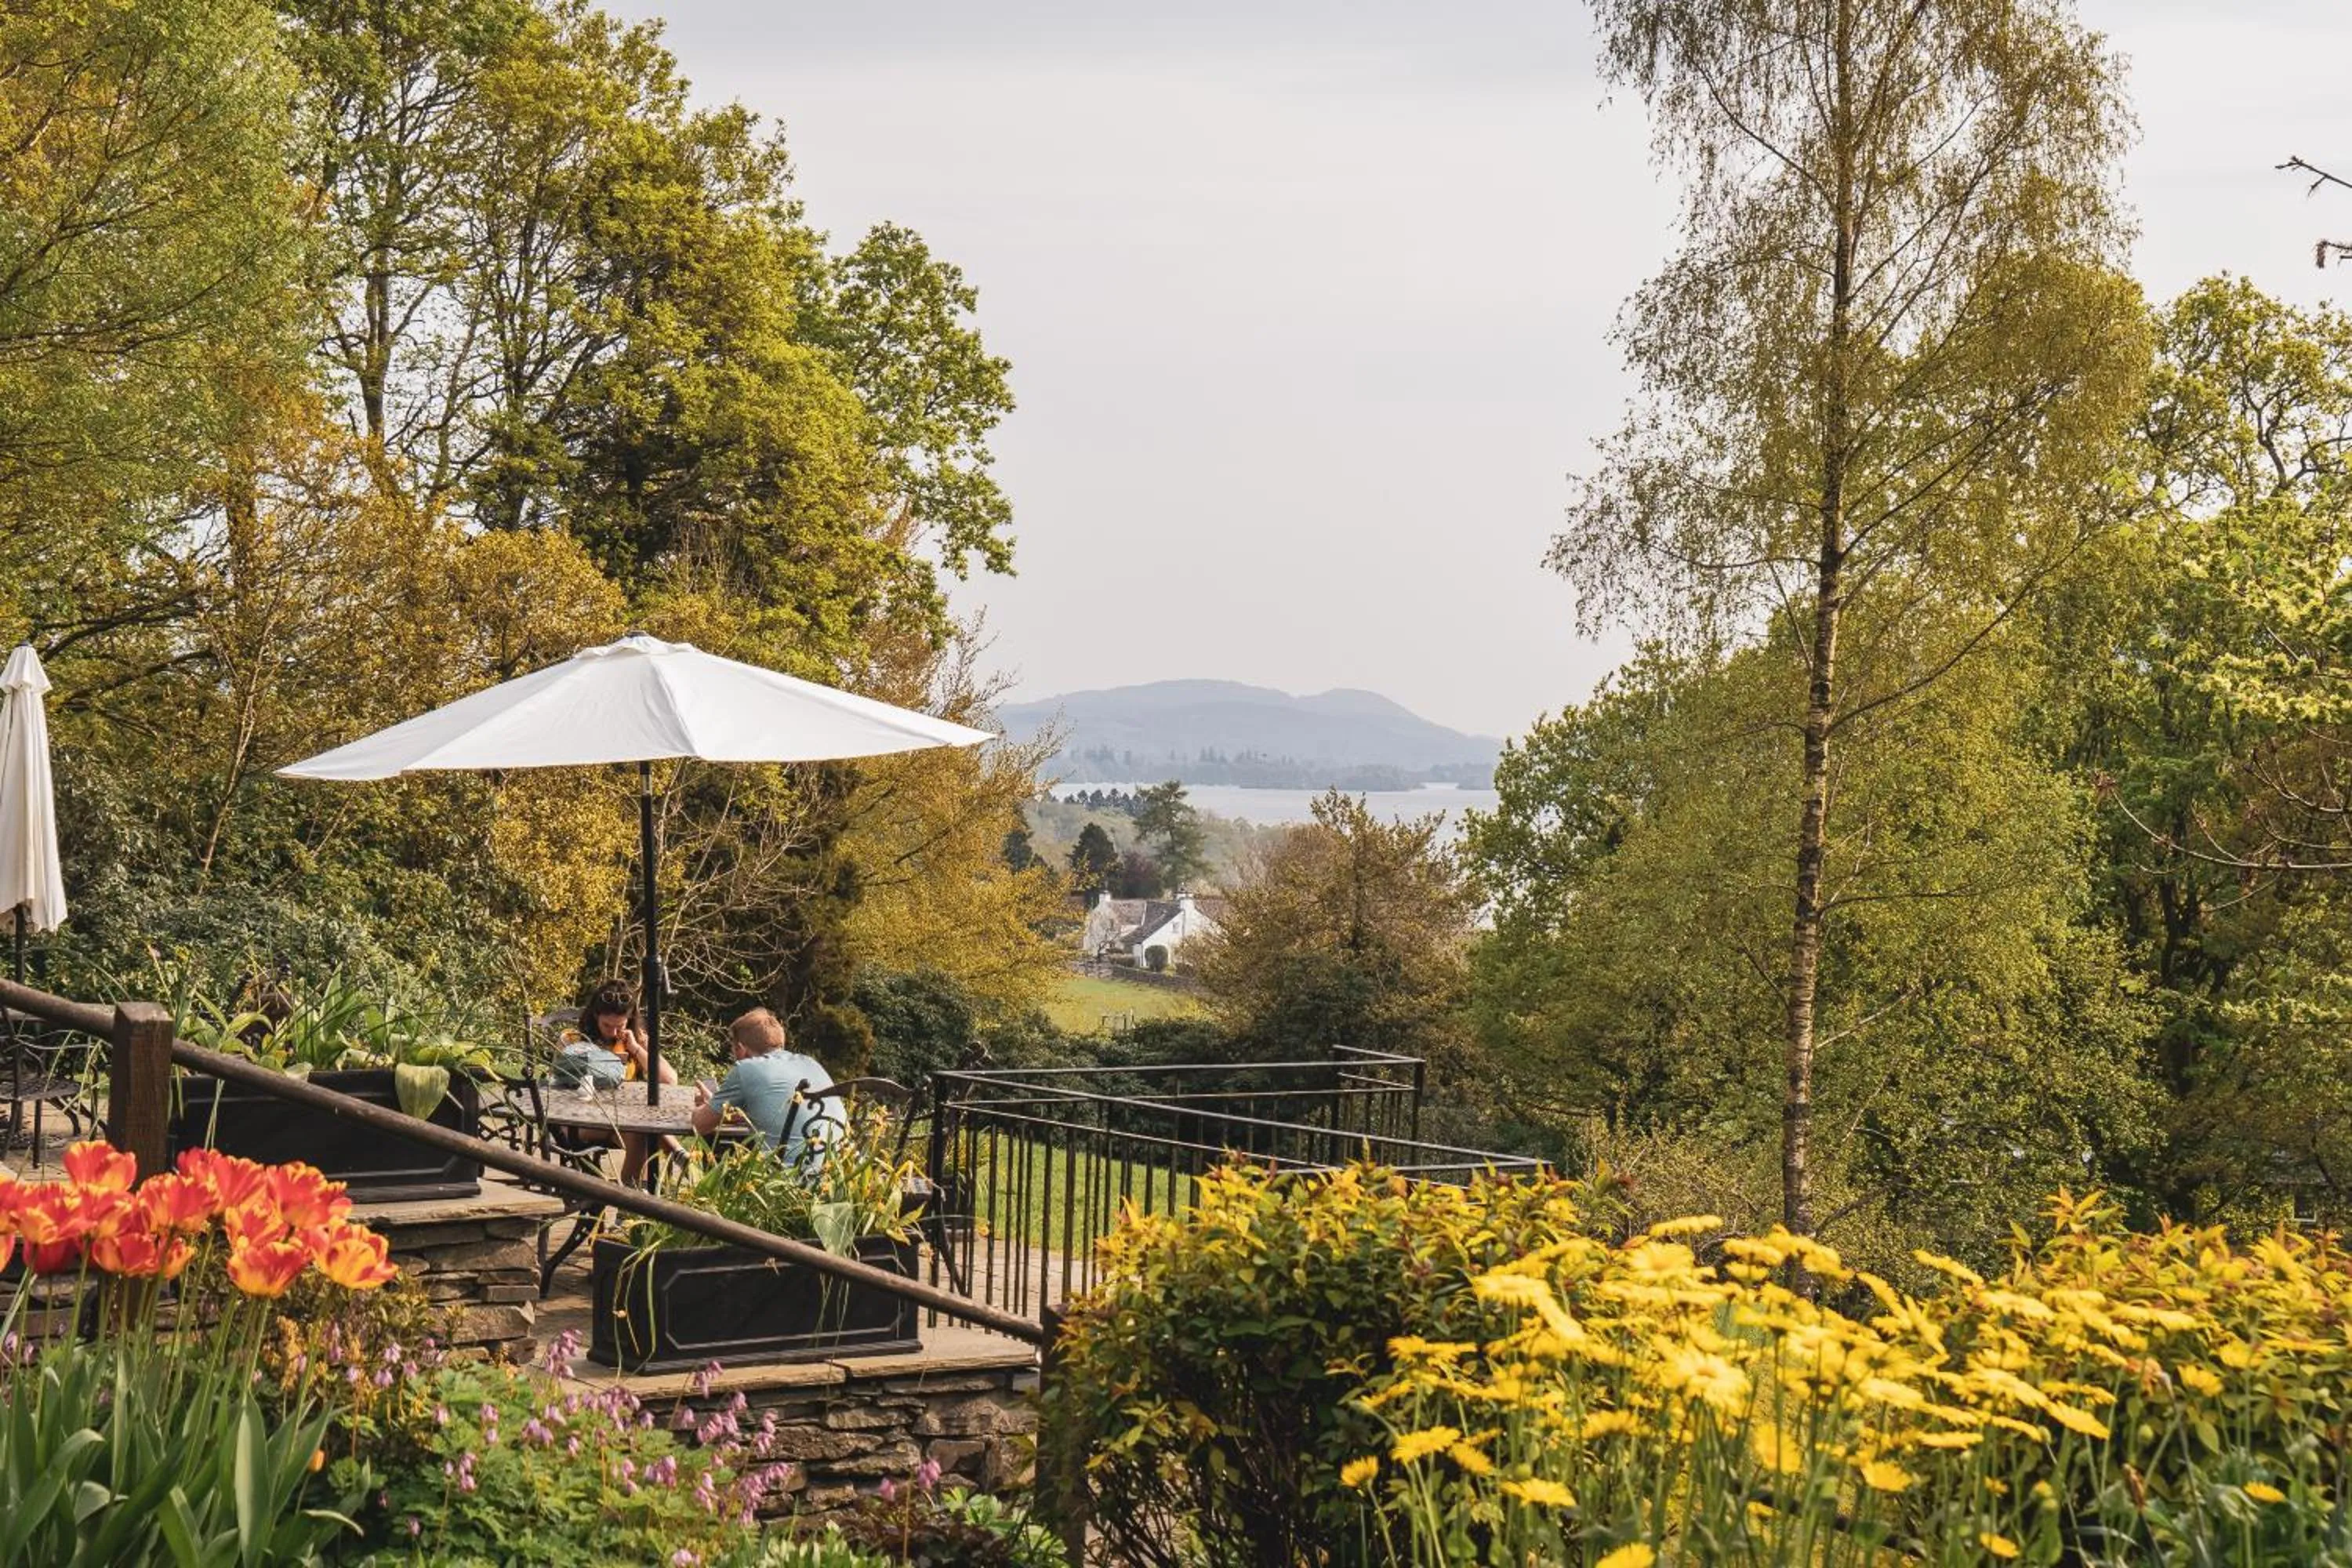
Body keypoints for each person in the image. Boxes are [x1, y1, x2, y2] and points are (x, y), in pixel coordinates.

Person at [551, 978, 676, 1185]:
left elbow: (669, 1080)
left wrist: (636, 1048)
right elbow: (557, 1083)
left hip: (624, 1119)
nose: (612, 1031)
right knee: (641, 1129)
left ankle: (630, 1203)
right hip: (579, 1118)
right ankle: (673, 1150)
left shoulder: (635, 1040)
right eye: (606, 1025)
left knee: (640, 1135)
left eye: (620, 1025)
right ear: (595, 1016)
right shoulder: (573, 1041)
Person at [691, 1008, 833, 1166]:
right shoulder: (811, 1064)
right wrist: (721, 1107)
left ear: (740, 1049)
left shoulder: (746, 1069)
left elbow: (700, 1125)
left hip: (783, 1180)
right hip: (837, 1176)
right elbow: (781, 1111)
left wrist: (706, 1105)